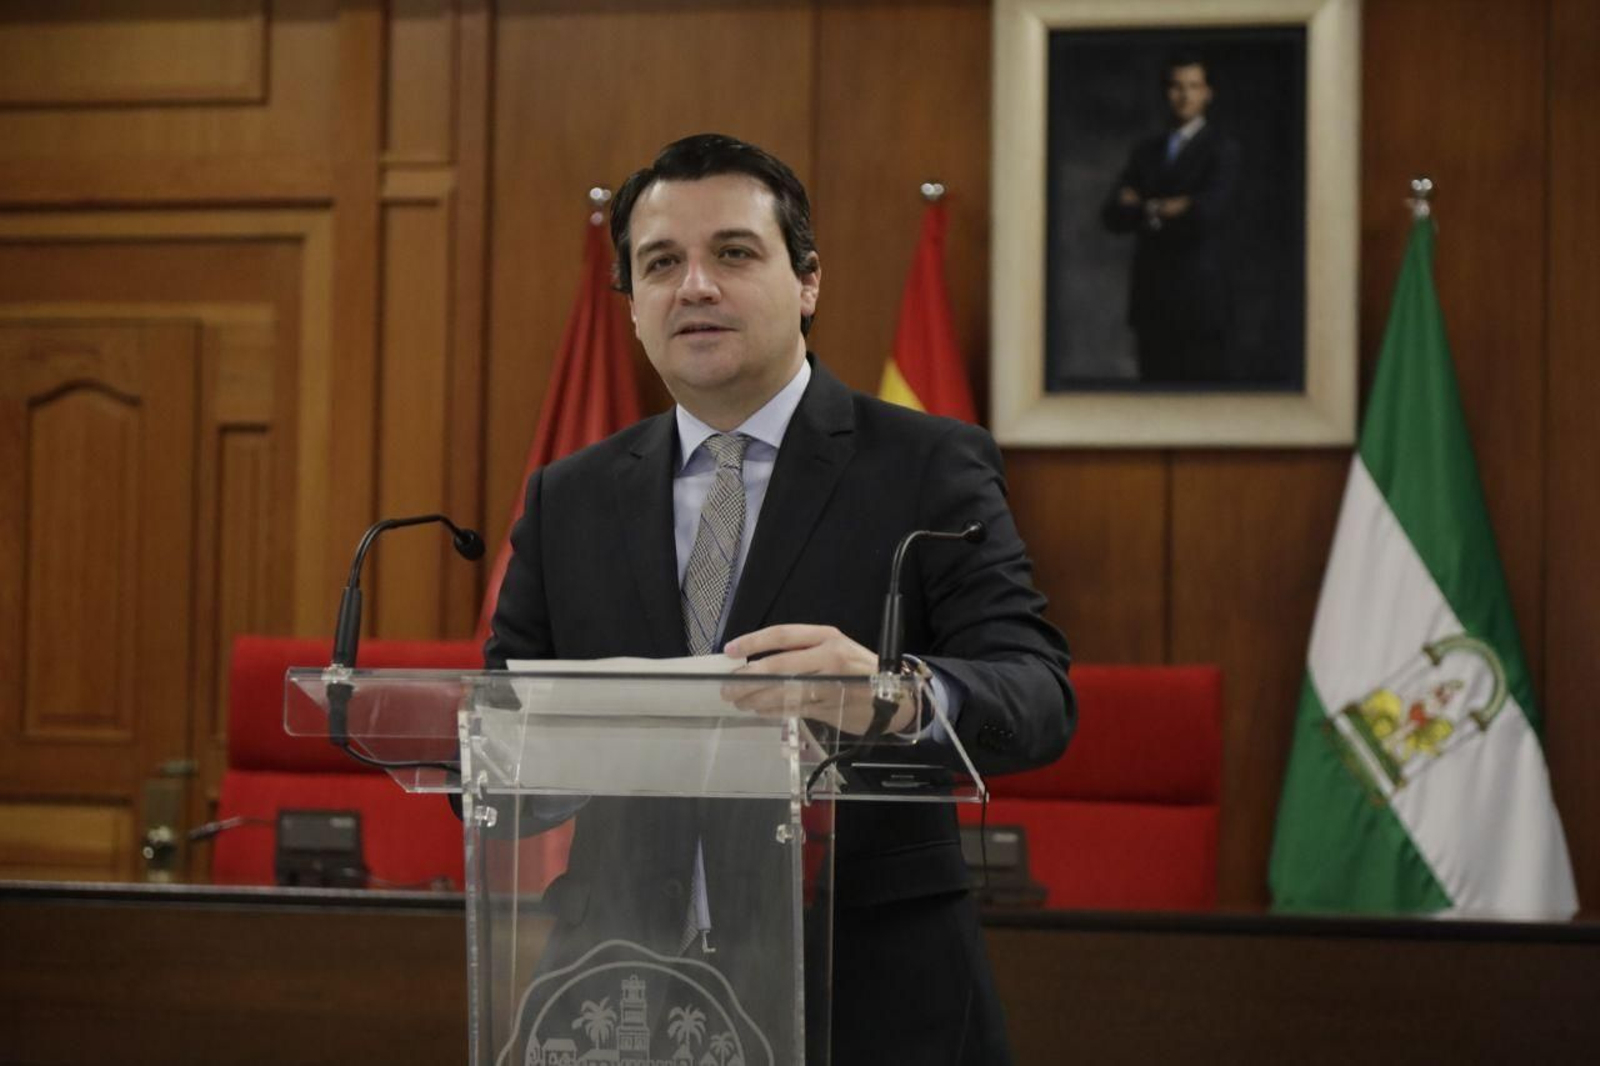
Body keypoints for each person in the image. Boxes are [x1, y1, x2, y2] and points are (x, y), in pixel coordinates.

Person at [484, 132, 1073, 1065]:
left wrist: (894, 694)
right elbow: (494, 736)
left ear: (807, 282)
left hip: (869, 990)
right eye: (662, 262)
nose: (697, 286)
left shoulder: (926, 465)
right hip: (624, 991)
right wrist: (547, 744)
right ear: (633, 303)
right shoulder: (571, 497)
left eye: (733, 253)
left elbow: (1038, 695)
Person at [1102, 52, 1240, 384]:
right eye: (1176, 86)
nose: (1184, 95)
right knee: (1152, 396)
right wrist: (1168, 206)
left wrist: (1144, 205)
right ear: (1166, 92)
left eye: (1193, 86)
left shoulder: (1222, 149)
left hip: (1199, 300)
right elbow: (1112, 216)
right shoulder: (1146, 150)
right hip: (1152, 297)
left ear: (1208, 93)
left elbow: (1206, 212)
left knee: (1200, 397)